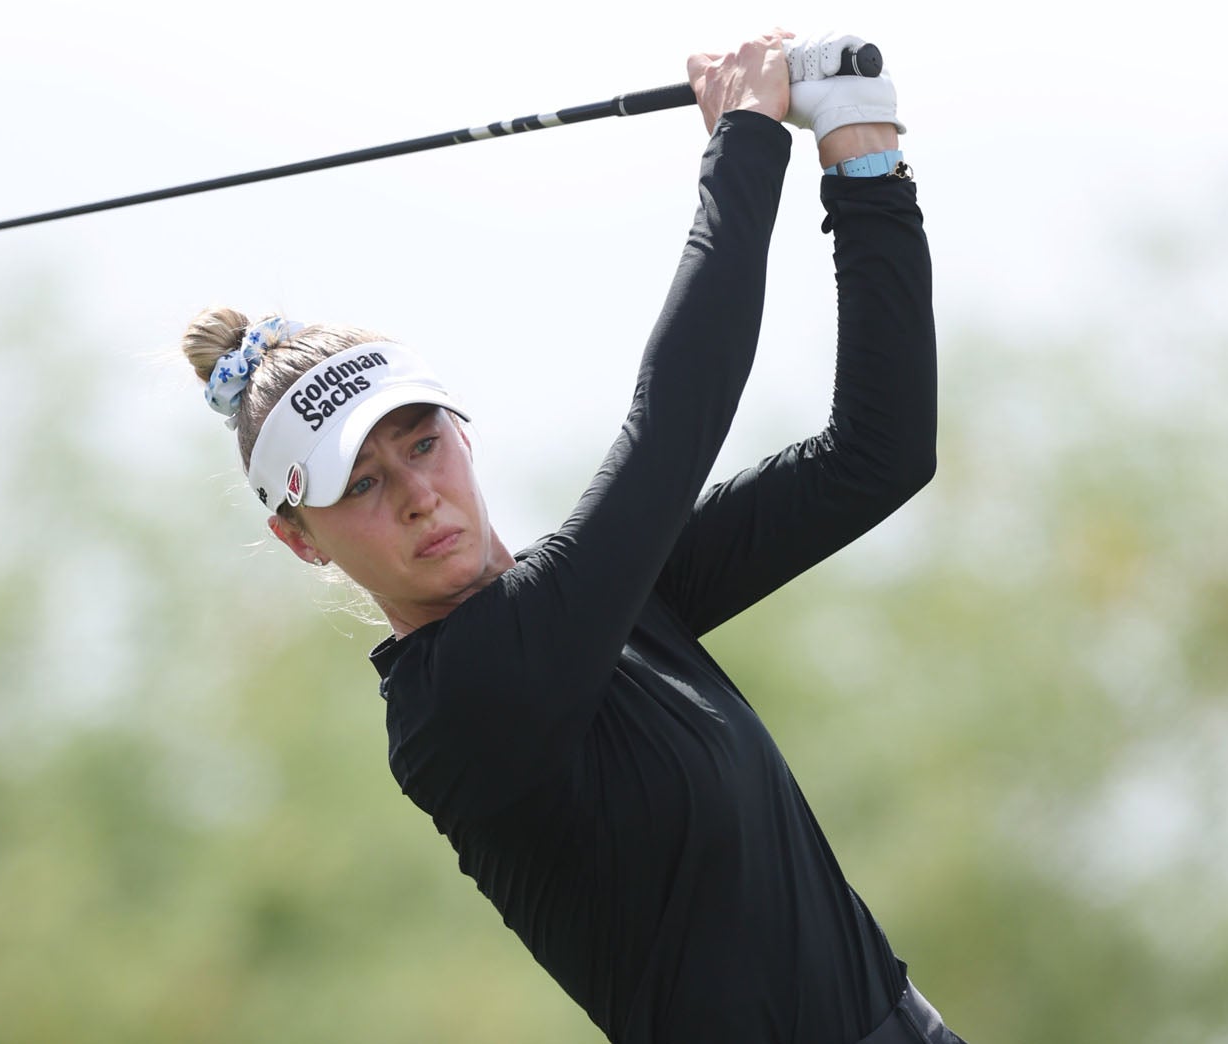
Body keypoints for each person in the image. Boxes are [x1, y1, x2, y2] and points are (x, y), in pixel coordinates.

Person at [178, 30, 960, 1044]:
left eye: (423, 444)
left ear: (462, 434)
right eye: (361, 483)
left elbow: (877, 456)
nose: (418, 495)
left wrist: (863, 162)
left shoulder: (607, 604)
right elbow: (672, 426)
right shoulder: (457, 704)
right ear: (302, 541)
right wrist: (743, 143)